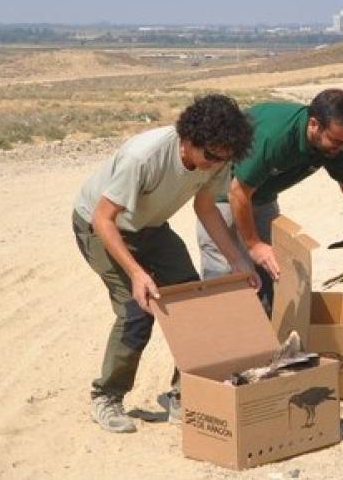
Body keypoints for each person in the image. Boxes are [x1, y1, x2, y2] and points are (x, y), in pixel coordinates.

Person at [72, 94, 257, 433]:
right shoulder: (143, 157)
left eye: (223, 159)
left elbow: (205, 207)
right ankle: (107, 396)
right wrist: (138, 273)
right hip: (99, 227)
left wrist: (237, 261)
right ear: (188, 139)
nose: (214, 164)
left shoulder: (216, 157)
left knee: (192, 304)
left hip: (150, 227)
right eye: (211, 156)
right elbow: (103, 219)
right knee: (136, 311)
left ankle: (184, 394)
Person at [197, 88, 343, 310]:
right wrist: (253, 244)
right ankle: (217, 337)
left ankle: (267, 336)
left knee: (272, 269)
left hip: (261, 195)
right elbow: (238, 192)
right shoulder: (275, 137)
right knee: (225, 274)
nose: (342, 147)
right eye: (337, 140)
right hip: (223, 195)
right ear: (314, 125)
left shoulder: (335, 146)